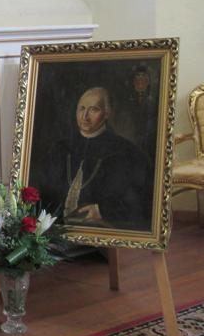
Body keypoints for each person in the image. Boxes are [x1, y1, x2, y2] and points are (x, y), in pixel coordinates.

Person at [31, 86, 152, 230]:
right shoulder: (59, 149)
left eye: (94, 110)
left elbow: (140, 203)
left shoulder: (126, 153)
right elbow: (42, 194)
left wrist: (103, 211)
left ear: (107, 114)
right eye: (81, 109)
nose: (85, 116)